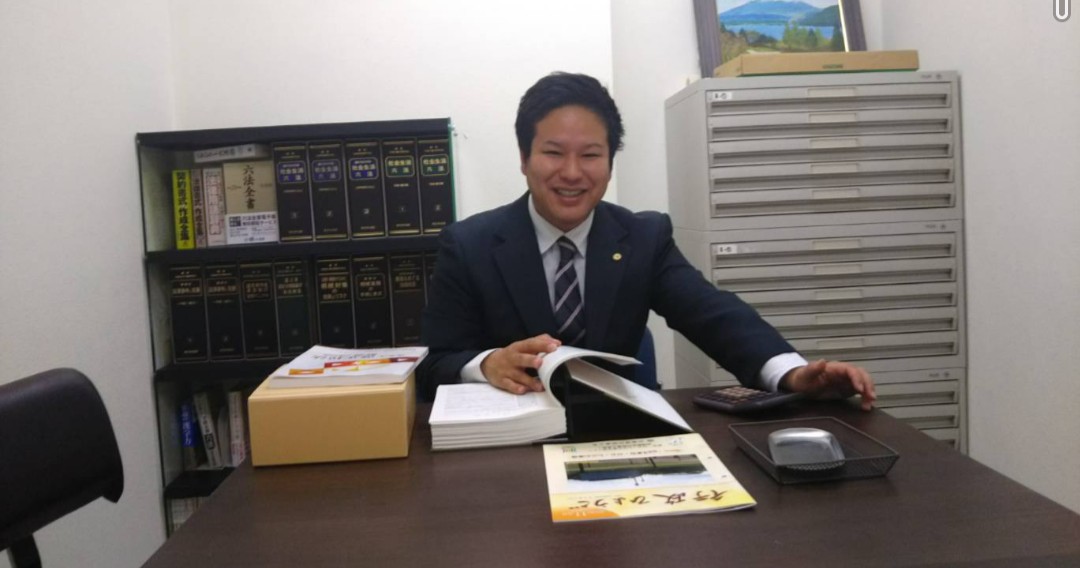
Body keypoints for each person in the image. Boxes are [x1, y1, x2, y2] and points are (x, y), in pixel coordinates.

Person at [416, 72, 875, 410]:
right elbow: (436, 364)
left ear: (610, 163)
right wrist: (487, 363)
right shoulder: (469, 245)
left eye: (590, 155)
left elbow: (713, 315)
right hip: (509, 451)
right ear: (524, 158)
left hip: (616, 433)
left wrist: (792, 373)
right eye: (553, 153)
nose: (572, 173)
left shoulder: (643, 237)